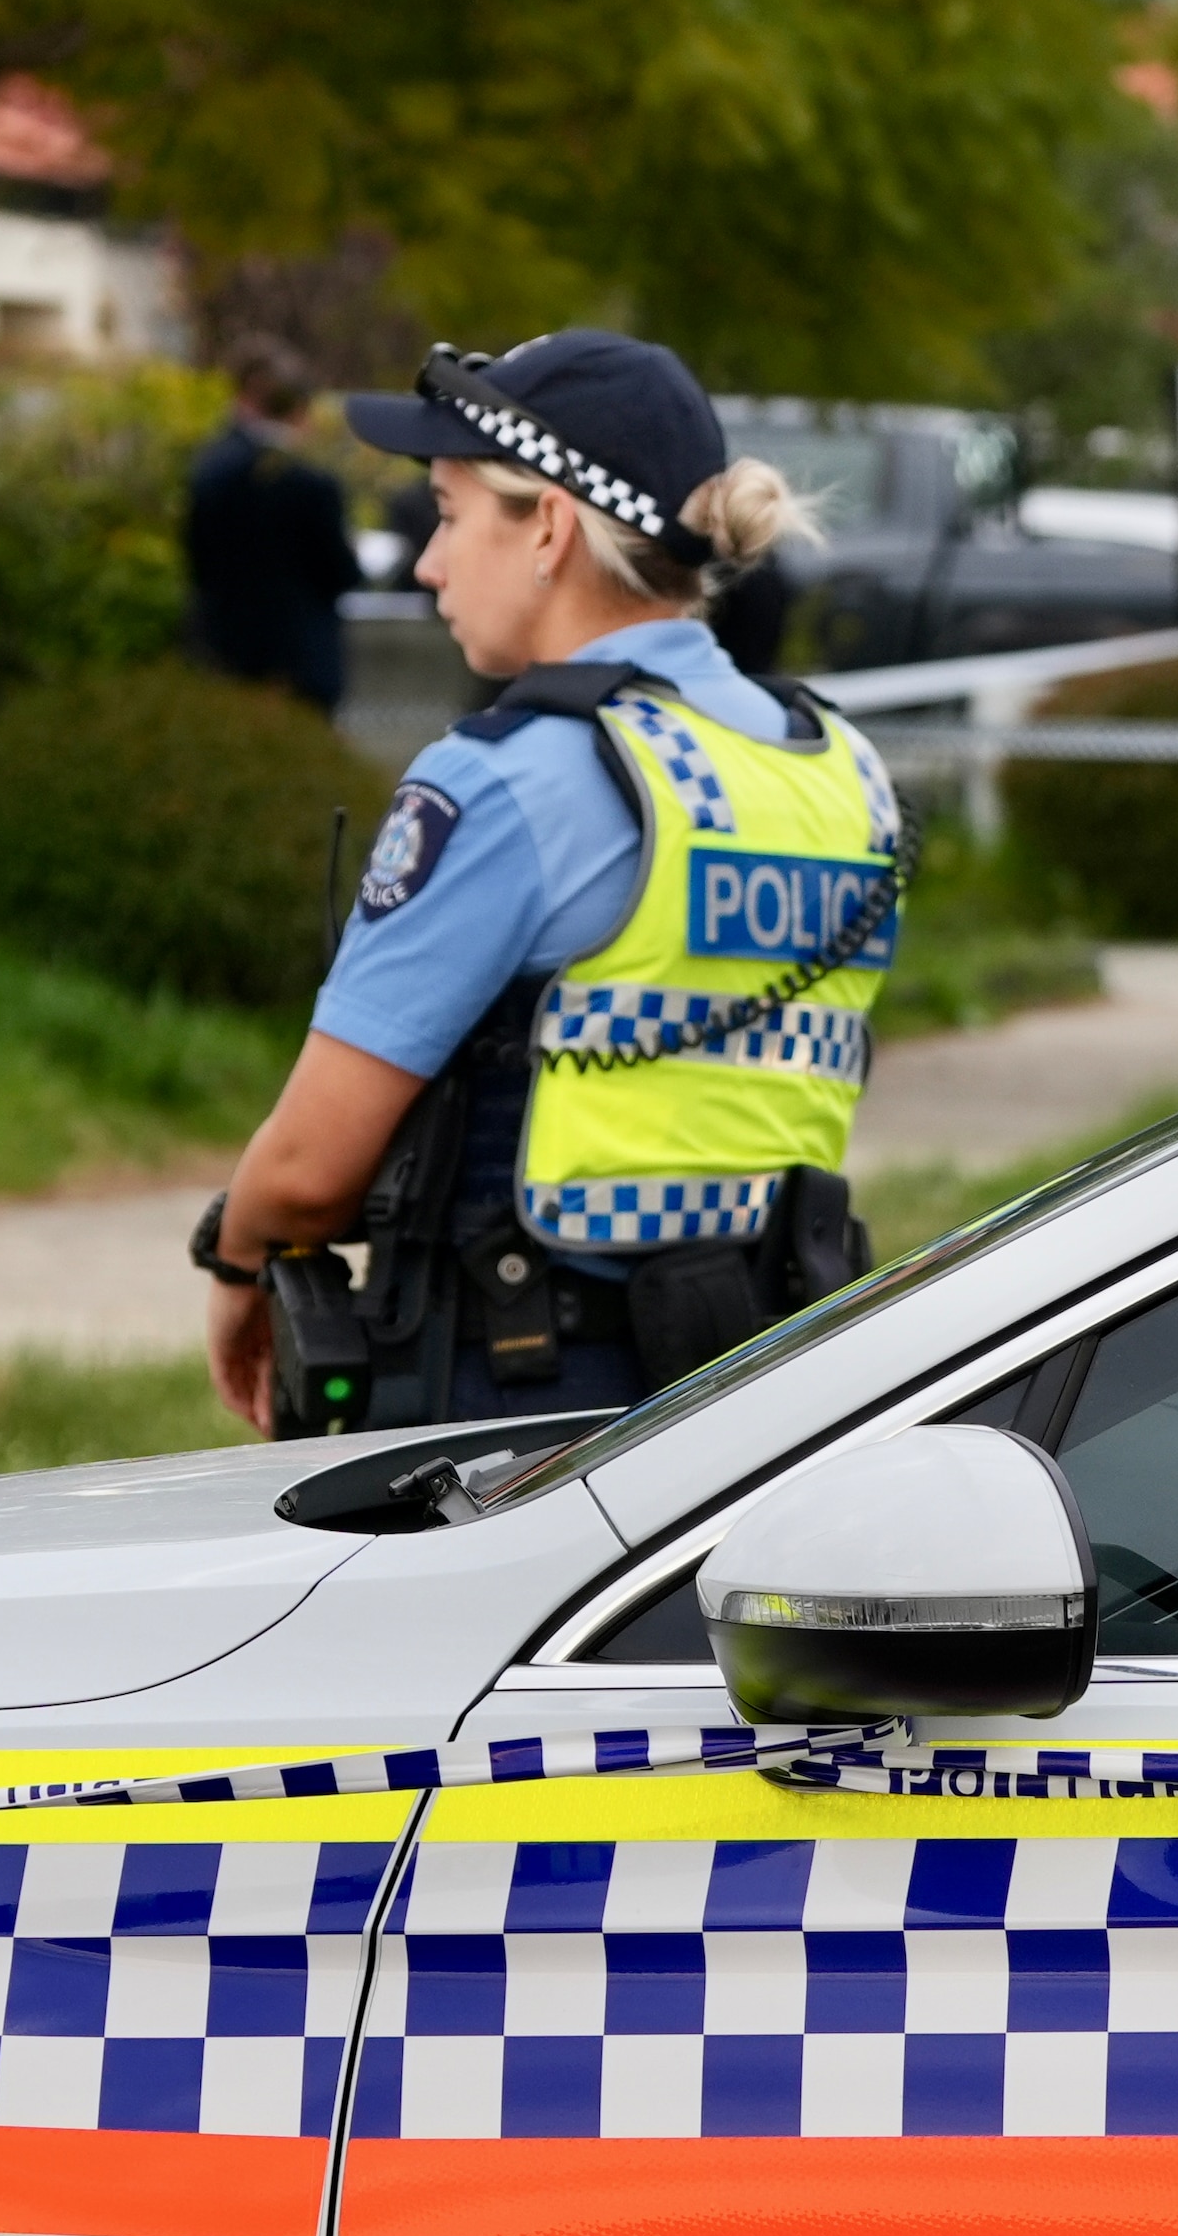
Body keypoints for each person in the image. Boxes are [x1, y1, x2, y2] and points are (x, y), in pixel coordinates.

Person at [191, 332, 900, 1436]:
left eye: (448, 510)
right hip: (773, 1402)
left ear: (549, 528)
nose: (428, 561)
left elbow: (308, 1166)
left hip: (519, 1418)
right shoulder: (836, 770)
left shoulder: (505, 781)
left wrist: (237, 1268)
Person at [178, 340, 364, 711]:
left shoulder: (209, 470)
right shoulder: (311, 484)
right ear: (299, 408)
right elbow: (341, 572)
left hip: (223, 652)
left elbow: (197, 558)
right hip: (301, 656)